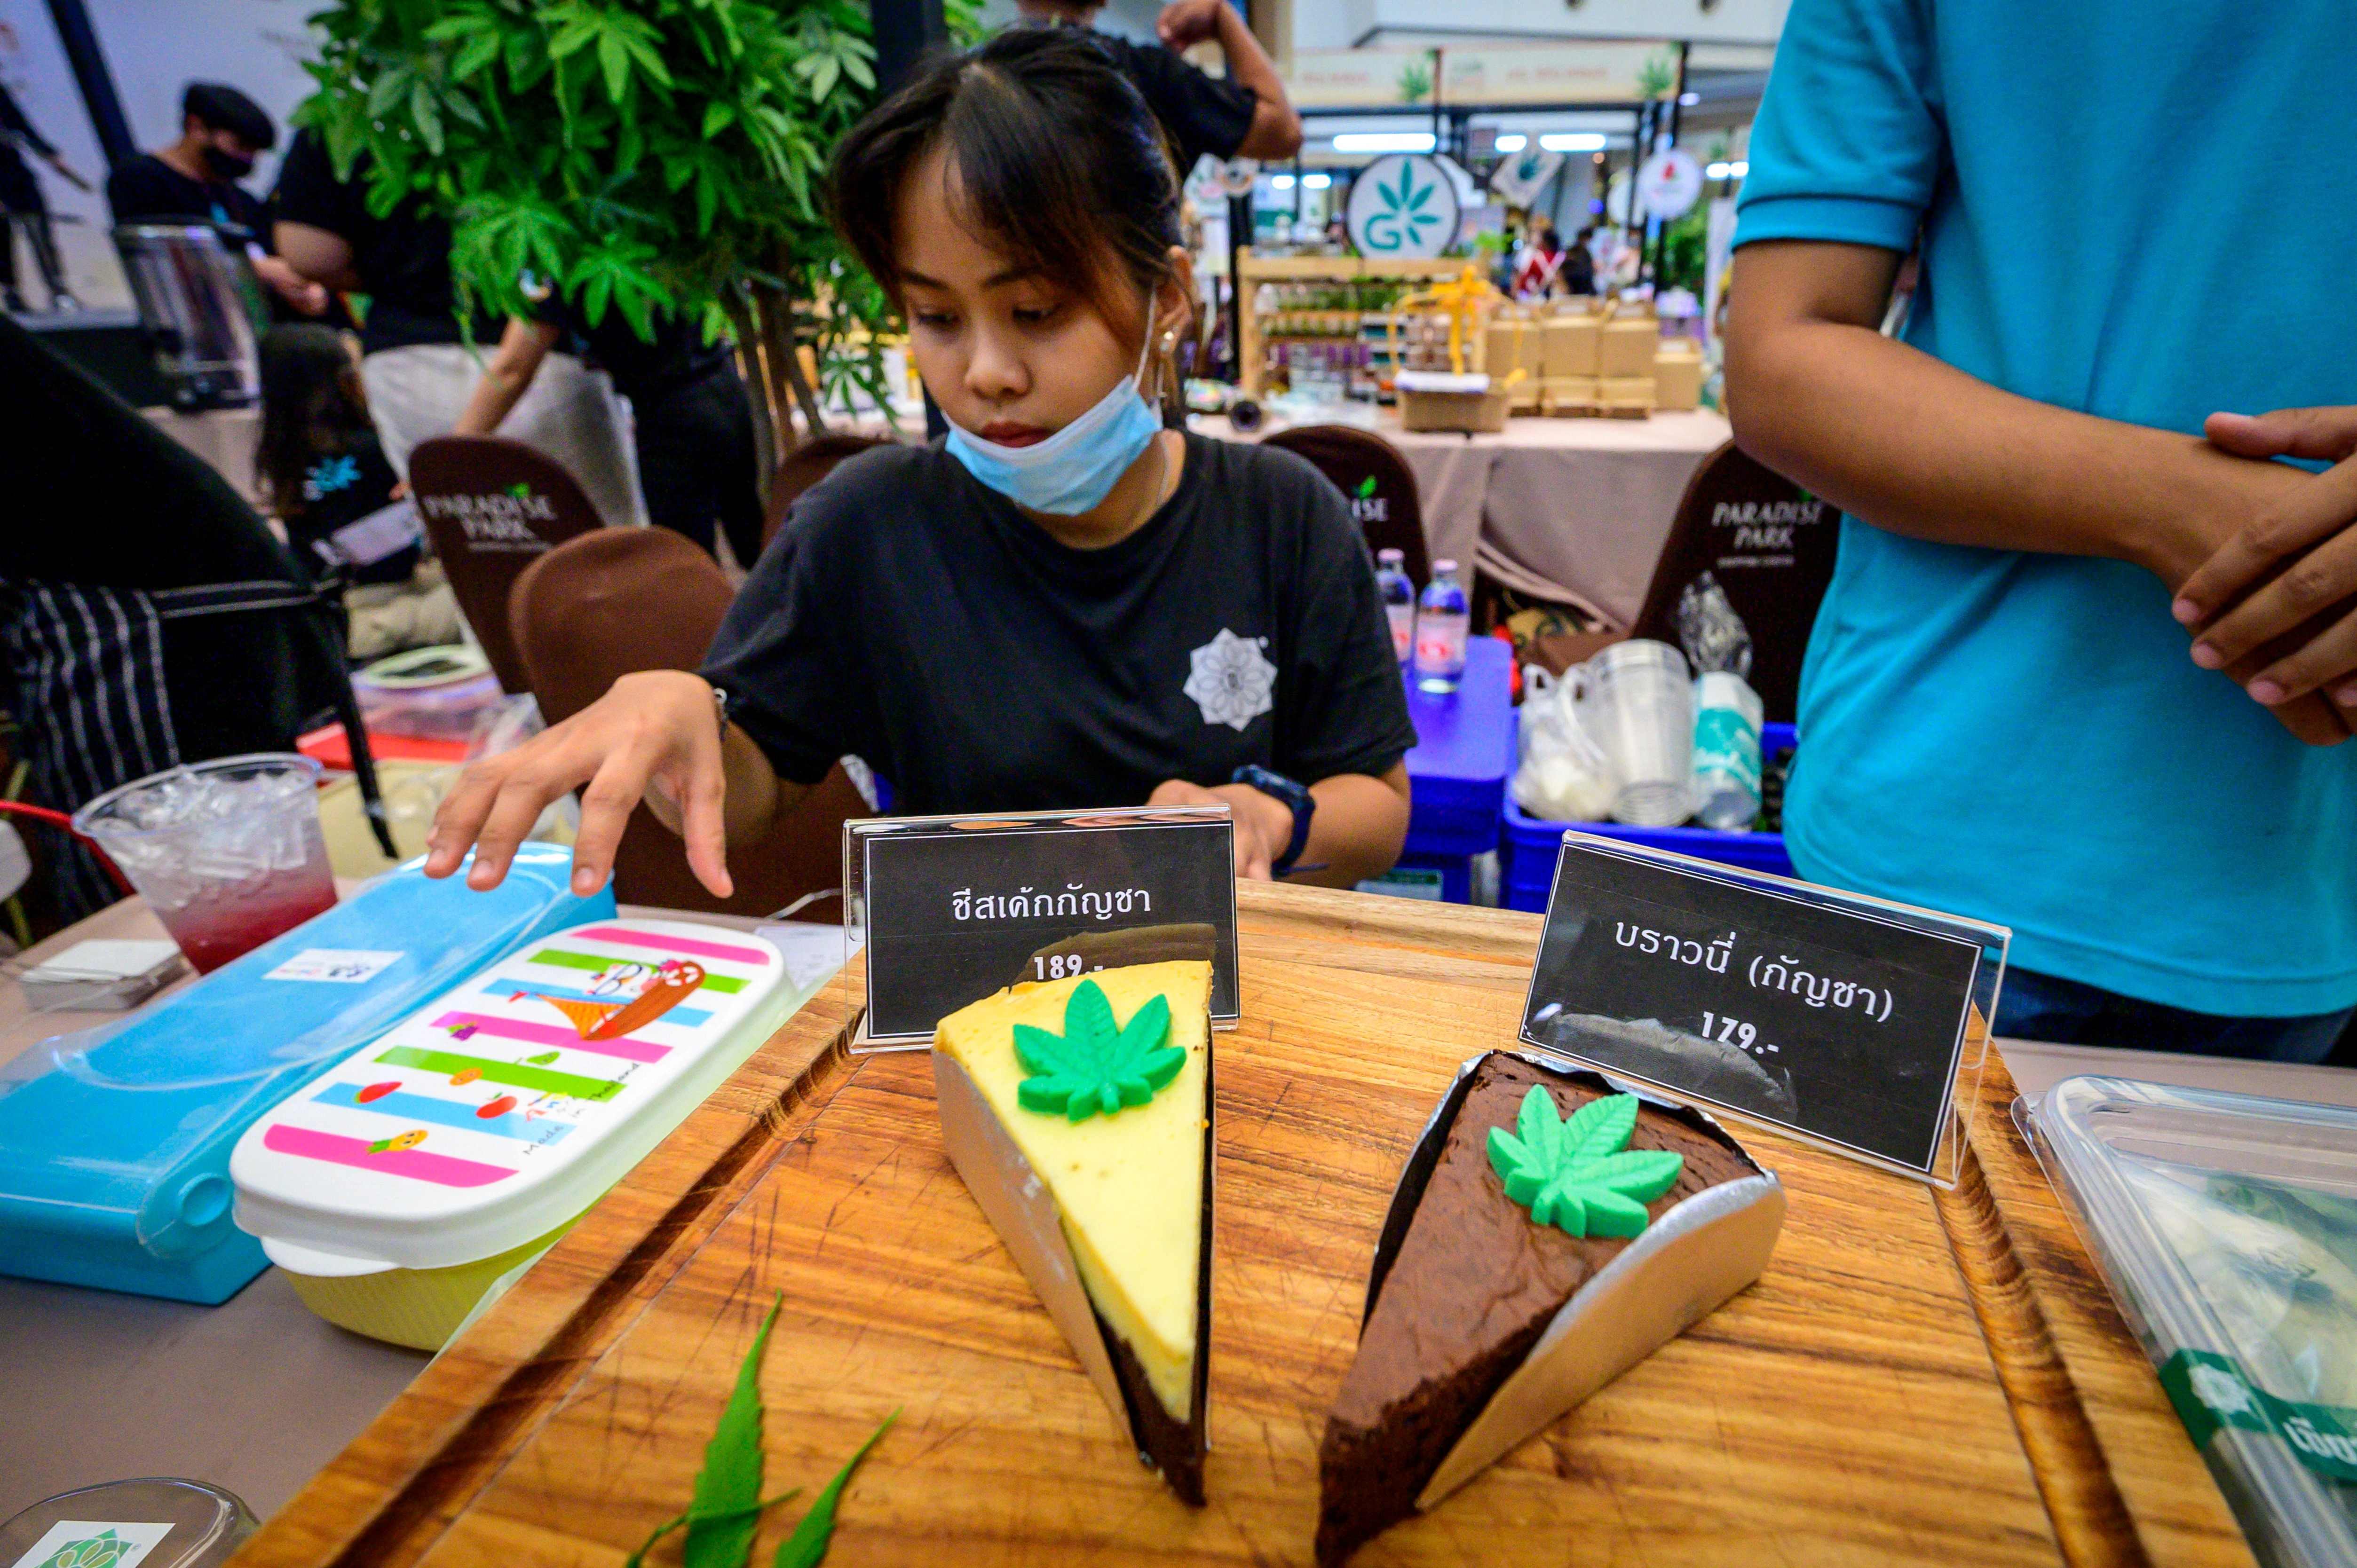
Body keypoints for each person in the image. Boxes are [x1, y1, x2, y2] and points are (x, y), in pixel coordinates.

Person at [425, 28, 1415, 901]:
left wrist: (1268, 816)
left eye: (1037, 313)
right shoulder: (869, 522)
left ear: (1169, 299)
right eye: (937, 318)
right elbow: (759, 788)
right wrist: (686, 717)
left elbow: (1376, 803)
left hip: (1244, 1009)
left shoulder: (1283, 514)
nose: (985, 371)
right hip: (974, 1022)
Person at [1724, 0, 2357, 1058]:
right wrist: (2188, 509)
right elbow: (1782, 362)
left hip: (2285, 860)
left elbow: (1787, 351)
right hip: (1946, 825)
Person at [269, 129, 646, 527]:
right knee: (600, 546)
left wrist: (393, 276)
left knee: (476, 547)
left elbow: (308, 256)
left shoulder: (337, 125)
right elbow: (518, 356)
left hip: (403, 365)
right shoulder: (504, 106)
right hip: (525, 357)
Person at [453, 302, 762, 567]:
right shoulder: (618, 232)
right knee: (757, 548)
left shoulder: (558, 248)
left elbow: (513, 368)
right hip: (724, 385)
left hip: (673, 410)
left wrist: (451, 454)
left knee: (688, 568)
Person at [254, 323, 460, 660]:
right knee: (486, 597)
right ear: (341, 380)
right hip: (385, 601)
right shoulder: (372, 447)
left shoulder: (280, 455)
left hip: (334, 603)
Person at [106, 83, 326, 318]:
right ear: (196, 127)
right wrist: (257, 270)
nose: (246, 160)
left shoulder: (238, 198)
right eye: (240, 146)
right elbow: (163, 259)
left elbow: (273, 251)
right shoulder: (139, 180)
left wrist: (307, 289)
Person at [1014, 0, 1300, 170]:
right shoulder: (1152, 76)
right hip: (1133, 272)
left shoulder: (981, 79)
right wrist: (1223, 18)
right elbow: (1283, 133)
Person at [0, 80, 85, 311]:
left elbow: (21, 125)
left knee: (40, 229)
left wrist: (49, 154)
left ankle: (58, 289)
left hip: (15, 173)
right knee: (3, 236)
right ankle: (12, 293)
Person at [1511, 226, 1566, 299]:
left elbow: (1525, 280)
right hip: (1555, 299)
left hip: (1534, 298)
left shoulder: (1537, 258)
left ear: (1544, 242)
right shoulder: (1562, 258)